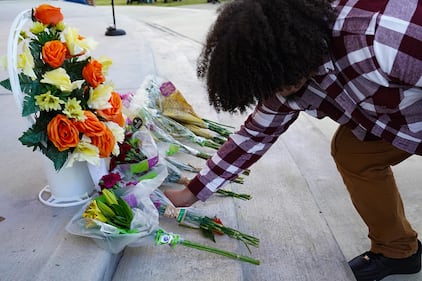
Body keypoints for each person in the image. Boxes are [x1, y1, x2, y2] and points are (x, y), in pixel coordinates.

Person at [164, 0, 422, 280]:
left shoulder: (384, 36)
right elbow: (253, 136)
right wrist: (191, 192)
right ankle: (398, 251)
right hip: (398, 120)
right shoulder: (286, 76)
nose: (279, 93)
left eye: (278, 82)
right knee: (352, 153)